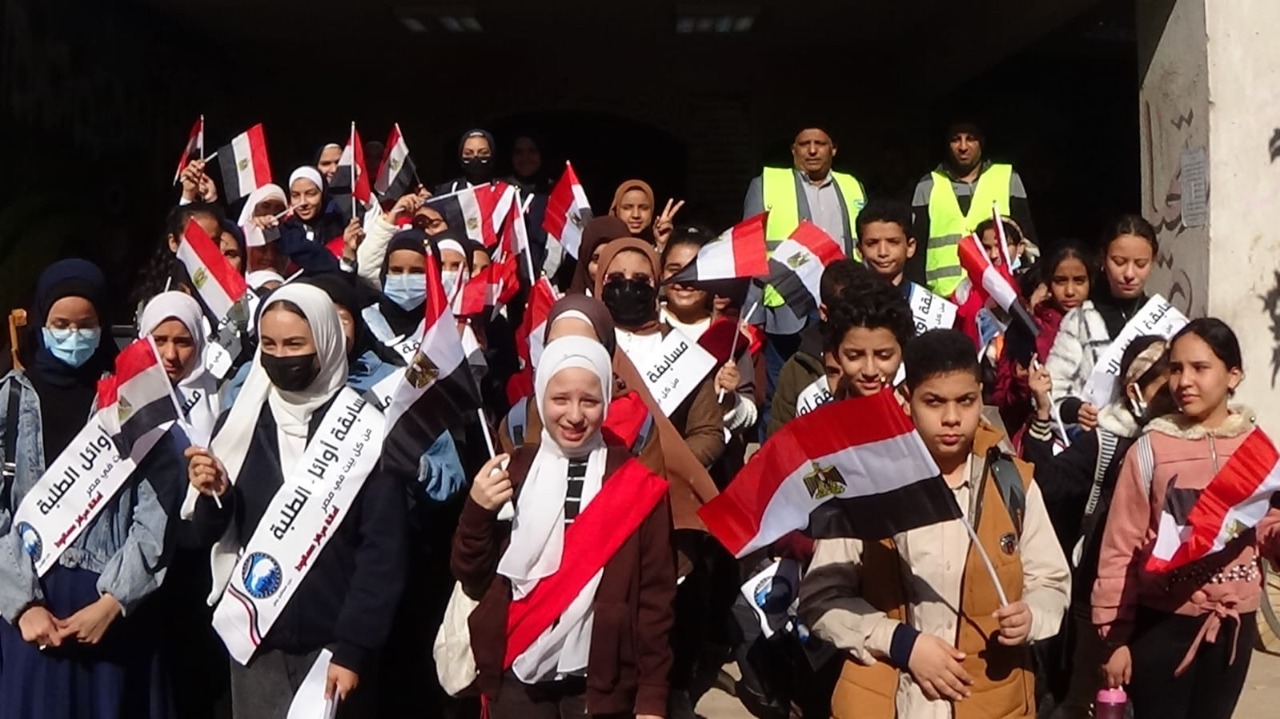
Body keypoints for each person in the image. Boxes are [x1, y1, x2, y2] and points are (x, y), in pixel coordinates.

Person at [800, 328, 1071, 719]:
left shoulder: (1011, 481)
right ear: (906, 399)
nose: (951, 418)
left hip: (991, 701)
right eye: (934, 402)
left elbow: (1051, 580)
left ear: (981, 395)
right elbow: (821, 597)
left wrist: (1032, 615)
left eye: (966, 401)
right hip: (888, 700)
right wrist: (901, 643)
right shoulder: (868, 484)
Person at [184, 284, 407, 719]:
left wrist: (353, 648)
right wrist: (214, 494)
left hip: (333, 653)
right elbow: (209, 533)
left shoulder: (367, 430)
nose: (280, 356)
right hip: (256, 644)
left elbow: (383, 552)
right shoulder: (240, 423)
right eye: (268, 344)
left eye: (294, 344)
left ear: (324, 342)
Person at [452, 335, 675, 719]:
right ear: (540, 397)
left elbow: (656, 599)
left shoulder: (637, 485)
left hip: (600, 682)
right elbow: (471, 575)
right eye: (560, 399)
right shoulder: (511, 472)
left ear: (607, 400)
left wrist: (652, 698)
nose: (574, 415)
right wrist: (476, 510)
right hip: (515, 676)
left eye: (589, 401)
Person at [0, 260, 177, 719]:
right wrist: (22, 606)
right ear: (41, 322)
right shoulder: (9, 400)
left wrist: (115, 600)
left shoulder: (132, 397)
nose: (73, 335)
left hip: (114, 613)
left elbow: (157, 508)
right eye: (61, 324)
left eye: (86, 324)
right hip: (29, 613)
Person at [1093, 318, 1280, 719]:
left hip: (1234, 627)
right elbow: (1119, 547)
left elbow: (1266, 526)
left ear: (1233, 376)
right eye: (1176, 369)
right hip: (1162, 624)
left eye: (1200, 368)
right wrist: (1114, 638)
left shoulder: (1257, 449)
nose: (1184, 381)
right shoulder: (1151, 449)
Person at [1020, 336, 1170, 719]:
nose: (1177, 396)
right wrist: (1042, 413)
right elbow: (1048, 485)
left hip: (1161, 600)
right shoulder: (1106, 441)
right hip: (1101, 596)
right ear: (1135, 391)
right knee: (1088, 696)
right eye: (1164, 389)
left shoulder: (1187, 444)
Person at [594, 238, 724, 469]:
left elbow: (707, 432)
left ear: (656, 284)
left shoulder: (681, 351)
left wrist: (660, 467)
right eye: (616, 278)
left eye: (640, 279)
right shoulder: (586, 340)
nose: (628, 286)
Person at [1047, 215, 1157, 432]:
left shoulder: (1165, 320)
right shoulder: (1080, 321)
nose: (1129, 274)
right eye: (1119, 262)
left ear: (1153, 261)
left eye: (1140, 264)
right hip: (1096, 440)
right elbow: (1053, 387)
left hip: (1152, 439)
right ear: (1103, 260)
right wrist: (1074, 409)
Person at [909, 120, 1037, 296]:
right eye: (956, 139)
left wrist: (1030, 288)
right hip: (942, 298)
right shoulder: (928, 184)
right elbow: (916, 251)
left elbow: (1027, 241)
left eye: (970, 138)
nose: (963, 147)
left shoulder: (1007, 178)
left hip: (997, 294)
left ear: (981, 141)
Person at [991, 244, 1092, 449]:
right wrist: (1022, 381)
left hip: (1094, 439)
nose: (1070, 291)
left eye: (1079, 280)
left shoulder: (1103, 323)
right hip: (1042, 439)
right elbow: (1001, 399)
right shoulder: (1026, 330)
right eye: (1060, 281)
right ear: (1048, 284)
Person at [766, 259, 874, 438]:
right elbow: (778, 443)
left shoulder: (887, 366)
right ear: (824, 312)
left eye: (861, 311)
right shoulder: (798, 370)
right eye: (844, 313)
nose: (853, 320)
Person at [743, 127, 867, 253]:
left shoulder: (853, 186)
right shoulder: (765, 185)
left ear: (833, 149)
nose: (812, 150)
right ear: (793, 149)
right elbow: (748, 245)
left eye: (820, 144)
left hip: (844, 266)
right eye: (804, 144)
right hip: (787, 267)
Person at [856, 199, 920, 301]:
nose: (883, 252)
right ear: (859, 250)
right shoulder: (848, 305)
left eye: (893, 242)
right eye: (872, 243)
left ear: (910, 247)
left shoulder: (933, 308)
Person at [508, 134, 551, 272]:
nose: (525, 157)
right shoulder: (501, 191)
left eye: (532, 151)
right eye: (519, 152)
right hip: (509, 272)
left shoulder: (554, 191)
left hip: (546, 272)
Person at [566, 217, 630, 296]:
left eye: (612, 257)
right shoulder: (571, 303)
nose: (604, 267)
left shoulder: (642, 301)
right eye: (596, 259)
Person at [436, 129, 497, 195]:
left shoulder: (503, 192)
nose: (475, 158)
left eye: (483, 153)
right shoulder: (447, 191)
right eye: (468, 153)